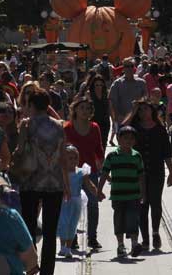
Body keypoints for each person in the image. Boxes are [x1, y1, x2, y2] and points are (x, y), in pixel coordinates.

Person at [15, 88, 68, 275]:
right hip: (54, 183)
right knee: (50, 231)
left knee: (28, 228)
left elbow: (20, 151)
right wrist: (66, 184)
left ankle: (31, 265)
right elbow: (63, 157)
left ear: (30, 105)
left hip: (30, 181)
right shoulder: (59, 125)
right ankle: (48, 271)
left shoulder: (26, 125)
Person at [124, 99, 172, 252]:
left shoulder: (160, 129)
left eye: (146, 109)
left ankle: (155, 232)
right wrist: (132, 112)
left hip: (156, 171)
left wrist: (171, 172)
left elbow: (167, 152)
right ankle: (145, 238)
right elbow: (122, 128)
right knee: (142, 204)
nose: (143, 112)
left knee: (155, 202)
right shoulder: (134, 128)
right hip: (138, 173)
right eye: (140, 110)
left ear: (152, 111)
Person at [97, 125, 146, 258]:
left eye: (131, 139)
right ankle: (120, 245)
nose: (128, 141)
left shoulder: (137, 156)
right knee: (119, 219)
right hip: (118, 196)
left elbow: (141, 175)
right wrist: (99, 190)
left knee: (133, 218)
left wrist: (143, 192)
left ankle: (135, 244)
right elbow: (104, 173)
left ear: (135, 141)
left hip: (133, 195)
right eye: (125, 138)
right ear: (118, 139)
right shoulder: (112, 156)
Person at [63, 97, 104, 251]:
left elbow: (99, 149)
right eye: (82, 108)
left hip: (90, 172)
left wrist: (103, 166)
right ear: (75, 110)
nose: (85, 111)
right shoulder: (67, 128)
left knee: (93, 204)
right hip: (72, 173)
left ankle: (92, 237)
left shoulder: (94, 127)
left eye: (88, 108)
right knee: (72, 206)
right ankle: (72, 238)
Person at [57, 145, 96, 258]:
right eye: (70, 158)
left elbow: (89, 184)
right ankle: (62, 246)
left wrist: (96, 192)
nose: (73, 161)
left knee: (72, 224)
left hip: (76, 201)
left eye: (75, 158)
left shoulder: (81, 172)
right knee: (63, 223)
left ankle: (68, 248)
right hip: (64, 202)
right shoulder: (61, 172)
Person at [108, 59, 148, 141]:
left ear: (134, 68)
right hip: (123, 119)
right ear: (123, 68)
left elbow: (146, 96)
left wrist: (140, 100)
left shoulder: (141, 82)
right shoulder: (117, 83)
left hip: (139, 119)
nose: (129, 68)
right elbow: (112, 102)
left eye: (131, 66)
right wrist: (116, 118)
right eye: (127, 66)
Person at [88, 75, 111, 149]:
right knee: (92, 143)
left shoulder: (107, 94)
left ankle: (102, 159)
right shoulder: (89, 94)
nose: (99, 86)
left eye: (100, 85)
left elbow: (110, 108)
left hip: (105, 121)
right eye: (97, 85)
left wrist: (114, 121)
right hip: (93, 121)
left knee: (103, 142)